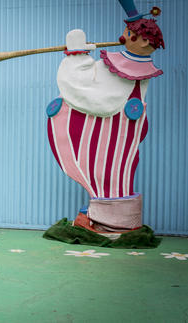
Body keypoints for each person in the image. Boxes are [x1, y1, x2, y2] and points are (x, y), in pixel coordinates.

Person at [46, 0, 164, 237]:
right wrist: (79, 54)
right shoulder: (126, 65)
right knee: (107, 170)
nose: (123, 37)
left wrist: (76, 57)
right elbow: (98, 88)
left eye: (129, 34)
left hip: (120, 132)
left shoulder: (131, 68)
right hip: (119, 133)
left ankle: (112, 222)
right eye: (126, 32)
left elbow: (91, 90)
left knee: (113, 169)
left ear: (143, 41)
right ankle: (102, 218)